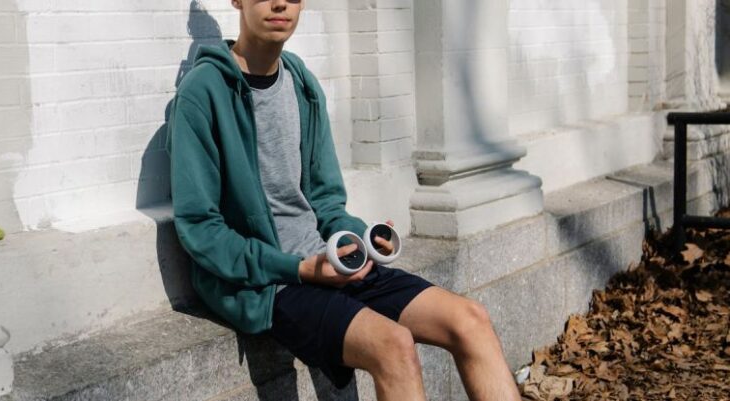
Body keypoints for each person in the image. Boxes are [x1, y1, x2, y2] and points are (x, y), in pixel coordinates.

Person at [166, 0, 521, 399]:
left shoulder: (300, 81)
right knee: (394, 345)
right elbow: (200, 229)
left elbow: (326, 201)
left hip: (327, 261)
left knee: (470, 319)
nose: (281, 3)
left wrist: (360, 237)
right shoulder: (203, 92)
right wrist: (300, 269)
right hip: (270, 283)